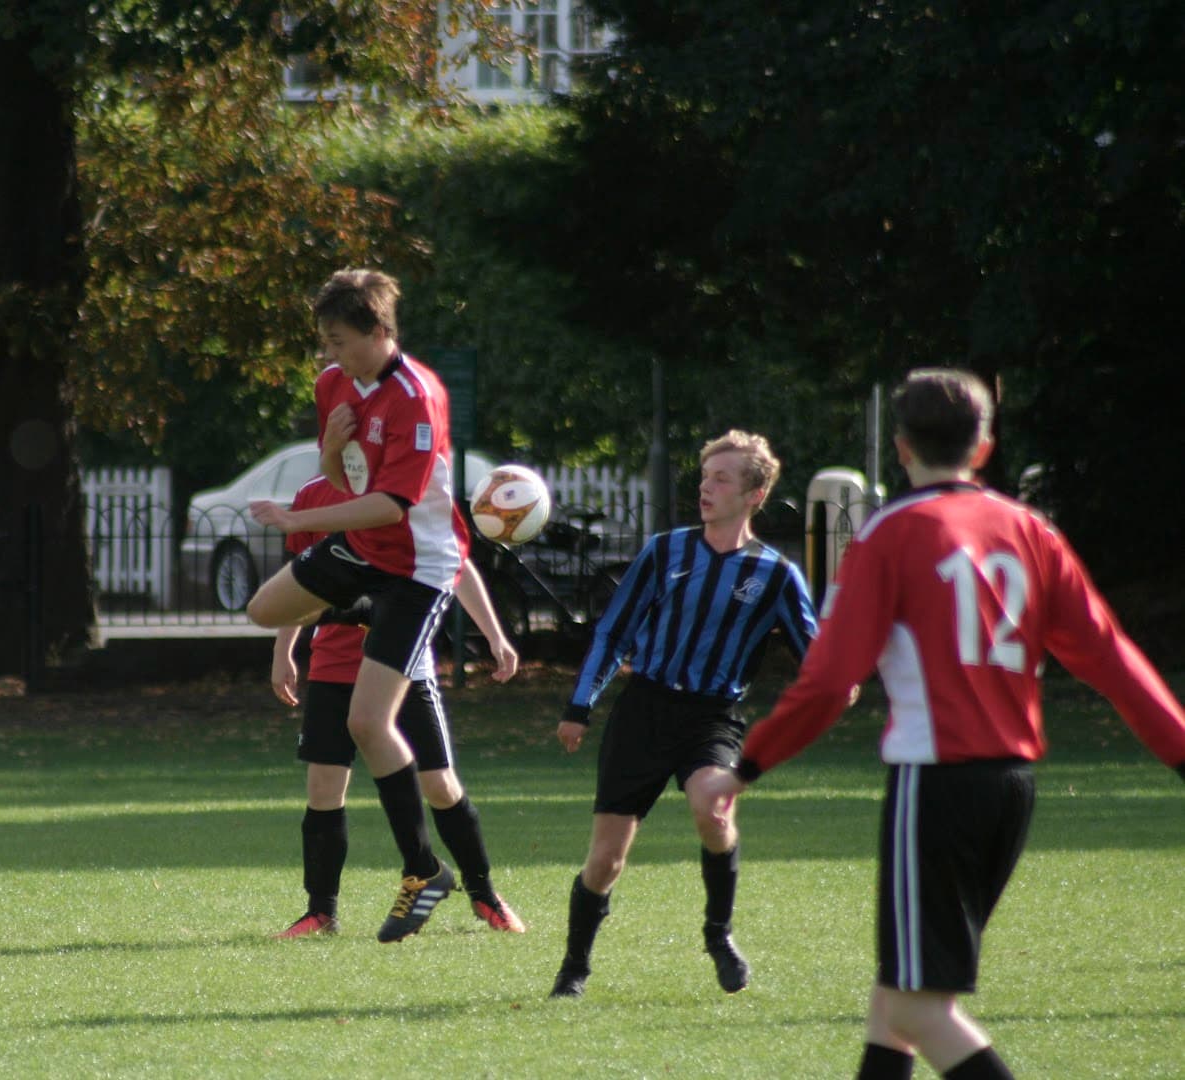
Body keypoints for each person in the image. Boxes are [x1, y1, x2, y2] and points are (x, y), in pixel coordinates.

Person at [701, 369, 1185, 1080]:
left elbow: (831, 682)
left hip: (935, 787)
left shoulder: (892, 533)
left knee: (920, 1010)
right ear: (983, 447)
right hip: (1011, 787)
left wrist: (745, 765)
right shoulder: (1030, 531)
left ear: (900, 447)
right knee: (896, 994)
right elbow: (1110, 659)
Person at [550, 430, 820, 999]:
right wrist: (580, 705)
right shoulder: (665, 551)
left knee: (712, 810)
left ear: (755, 492)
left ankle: (718, 935)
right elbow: (614, 630)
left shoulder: (775, 575)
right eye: (705, 476)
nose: (706, 486)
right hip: (643, 709)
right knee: (605, 860)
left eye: (722, 478)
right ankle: (574, 968)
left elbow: (817, 660)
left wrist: (838, 681)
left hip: (712, 717)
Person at [247, 267, 469, 943]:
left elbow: (392, 504)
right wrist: (333, 447)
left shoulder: (416, 395)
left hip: (416, 568)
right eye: (326, 339)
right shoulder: (333, 386)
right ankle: (363, 617)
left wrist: (292, 521)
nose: (330, 352)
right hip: (363, 550)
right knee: (265, 610)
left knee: (369, 723)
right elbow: (345, 480)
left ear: (378, 330)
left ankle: (424, 870)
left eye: (339, 338)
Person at [269, 473, 525, 939]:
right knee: (324, 790)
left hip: (404, 668)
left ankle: (485, 895)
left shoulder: (415, 489)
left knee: (440, 786)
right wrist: (284, 651)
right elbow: (300, 580)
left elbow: (458, 565)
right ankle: (320, 912)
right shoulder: (313, 496)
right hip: (333, 667)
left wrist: (494, 635)